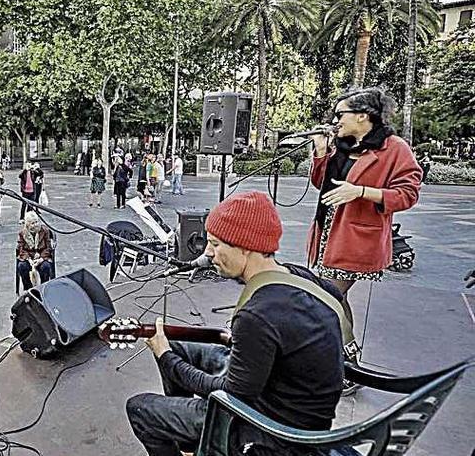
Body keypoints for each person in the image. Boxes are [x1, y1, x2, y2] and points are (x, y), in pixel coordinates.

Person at [126, 191, 345, 456]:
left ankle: (207, 438)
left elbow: (230, 394)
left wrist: (166, 357)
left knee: (140, 409)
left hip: (274, 432)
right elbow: (330, 301)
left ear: (245, 246)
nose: (208, 253)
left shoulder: (257, 315)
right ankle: (189, 444)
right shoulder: (298, 276)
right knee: (180, 345)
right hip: (300, 406)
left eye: (216, 244)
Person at [307, 88, 422, 341]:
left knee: (327, 297)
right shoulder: (342, 146)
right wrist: (320, 152)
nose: (335, 121)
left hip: (357, 239)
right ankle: (345, 359)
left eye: (340, 114)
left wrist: (360, 192)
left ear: (362, 115)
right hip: (328, 232)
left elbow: (408, 194)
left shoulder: (394, 148)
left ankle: (348, 362)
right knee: (335, 298)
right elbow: (322, 184)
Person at [16, 211, 54, 291]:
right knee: (22, 266)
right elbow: (21, 249)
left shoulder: (45, 230)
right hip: (29, 257)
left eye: (36, 222)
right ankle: (29, 288)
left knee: (46, 266)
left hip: (42, 256)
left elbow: (48, 247)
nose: (36, 225)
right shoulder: (22, 233)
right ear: (28, 225)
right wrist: (29, 259)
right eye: (32, 223)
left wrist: (41, 259)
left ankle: (43, 287)